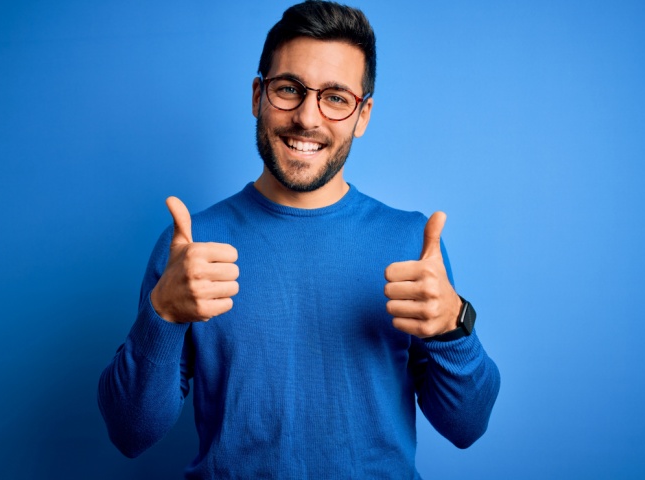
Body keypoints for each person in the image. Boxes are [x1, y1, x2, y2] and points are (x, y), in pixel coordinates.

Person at [98, 1, 500, 478]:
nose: (307, 117)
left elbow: (467, 426)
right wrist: (161, 316)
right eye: (289, 89)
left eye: (335, 97)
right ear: (257, 96)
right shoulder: (191, 247)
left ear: (363, 114)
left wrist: (454, 326)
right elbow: (129, 433)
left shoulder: (411, 243)